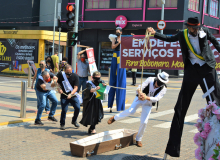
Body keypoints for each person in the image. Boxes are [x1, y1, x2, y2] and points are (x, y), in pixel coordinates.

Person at [147, 17, 220, 157]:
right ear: (188, 27)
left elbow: (216, 43)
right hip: (191, 70)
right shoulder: (183, 34)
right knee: (180, 107)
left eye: (197, 28)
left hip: (207, 69)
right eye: (193, 28)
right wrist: (154, 33)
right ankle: (173, 149)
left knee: (217, 103)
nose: (196, 30)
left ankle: (217, 146)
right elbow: (169, 39)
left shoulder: (204, 31)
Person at [108, 72, 169, 147]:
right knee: (131, 111)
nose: (158, 85)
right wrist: (140, 93)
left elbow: (157, 98)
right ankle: (115, 118)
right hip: (139, 98)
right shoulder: (150, 79)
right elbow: (139, 87)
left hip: (148, 103)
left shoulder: (164, 88)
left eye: (161, 83)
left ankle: (138, 139)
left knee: (144, 122)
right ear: (157, 78)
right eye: (158, 82)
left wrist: (146, 97)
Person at [108, 26, 126, 112]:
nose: (117, 32)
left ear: (121, 32)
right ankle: (110, 105)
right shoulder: (114, 38)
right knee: (113, 79)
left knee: (120, 79)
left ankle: (120, 106)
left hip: (121, 56)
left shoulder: (125, 38)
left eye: (118, 31)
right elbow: (112, 47)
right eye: (116, 31)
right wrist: (118, 43)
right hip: (115, 55)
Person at [57, 65, 80, 130]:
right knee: (64, 110)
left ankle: (74, 120)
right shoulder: (61, 75)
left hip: (73, 95)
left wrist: (71, 94)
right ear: (64, 71)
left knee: (78, 108)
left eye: (70, 72)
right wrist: (59, 89)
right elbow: (58, 84)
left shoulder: (75, 76)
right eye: (67, 72)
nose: (69, 73)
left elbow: (76, 88)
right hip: (64, 96)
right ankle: (62, 124)